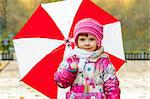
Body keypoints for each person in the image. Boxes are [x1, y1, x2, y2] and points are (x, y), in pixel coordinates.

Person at [54, 18, 120, 99]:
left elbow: (112, 86)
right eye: (82, 39)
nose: (87, 43)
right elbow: (61, 82)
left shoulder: (104, 63)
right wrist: (69, 70)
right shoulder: (71, 60)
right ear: (77, 41)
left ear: (98, 41)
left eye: (91, 39)